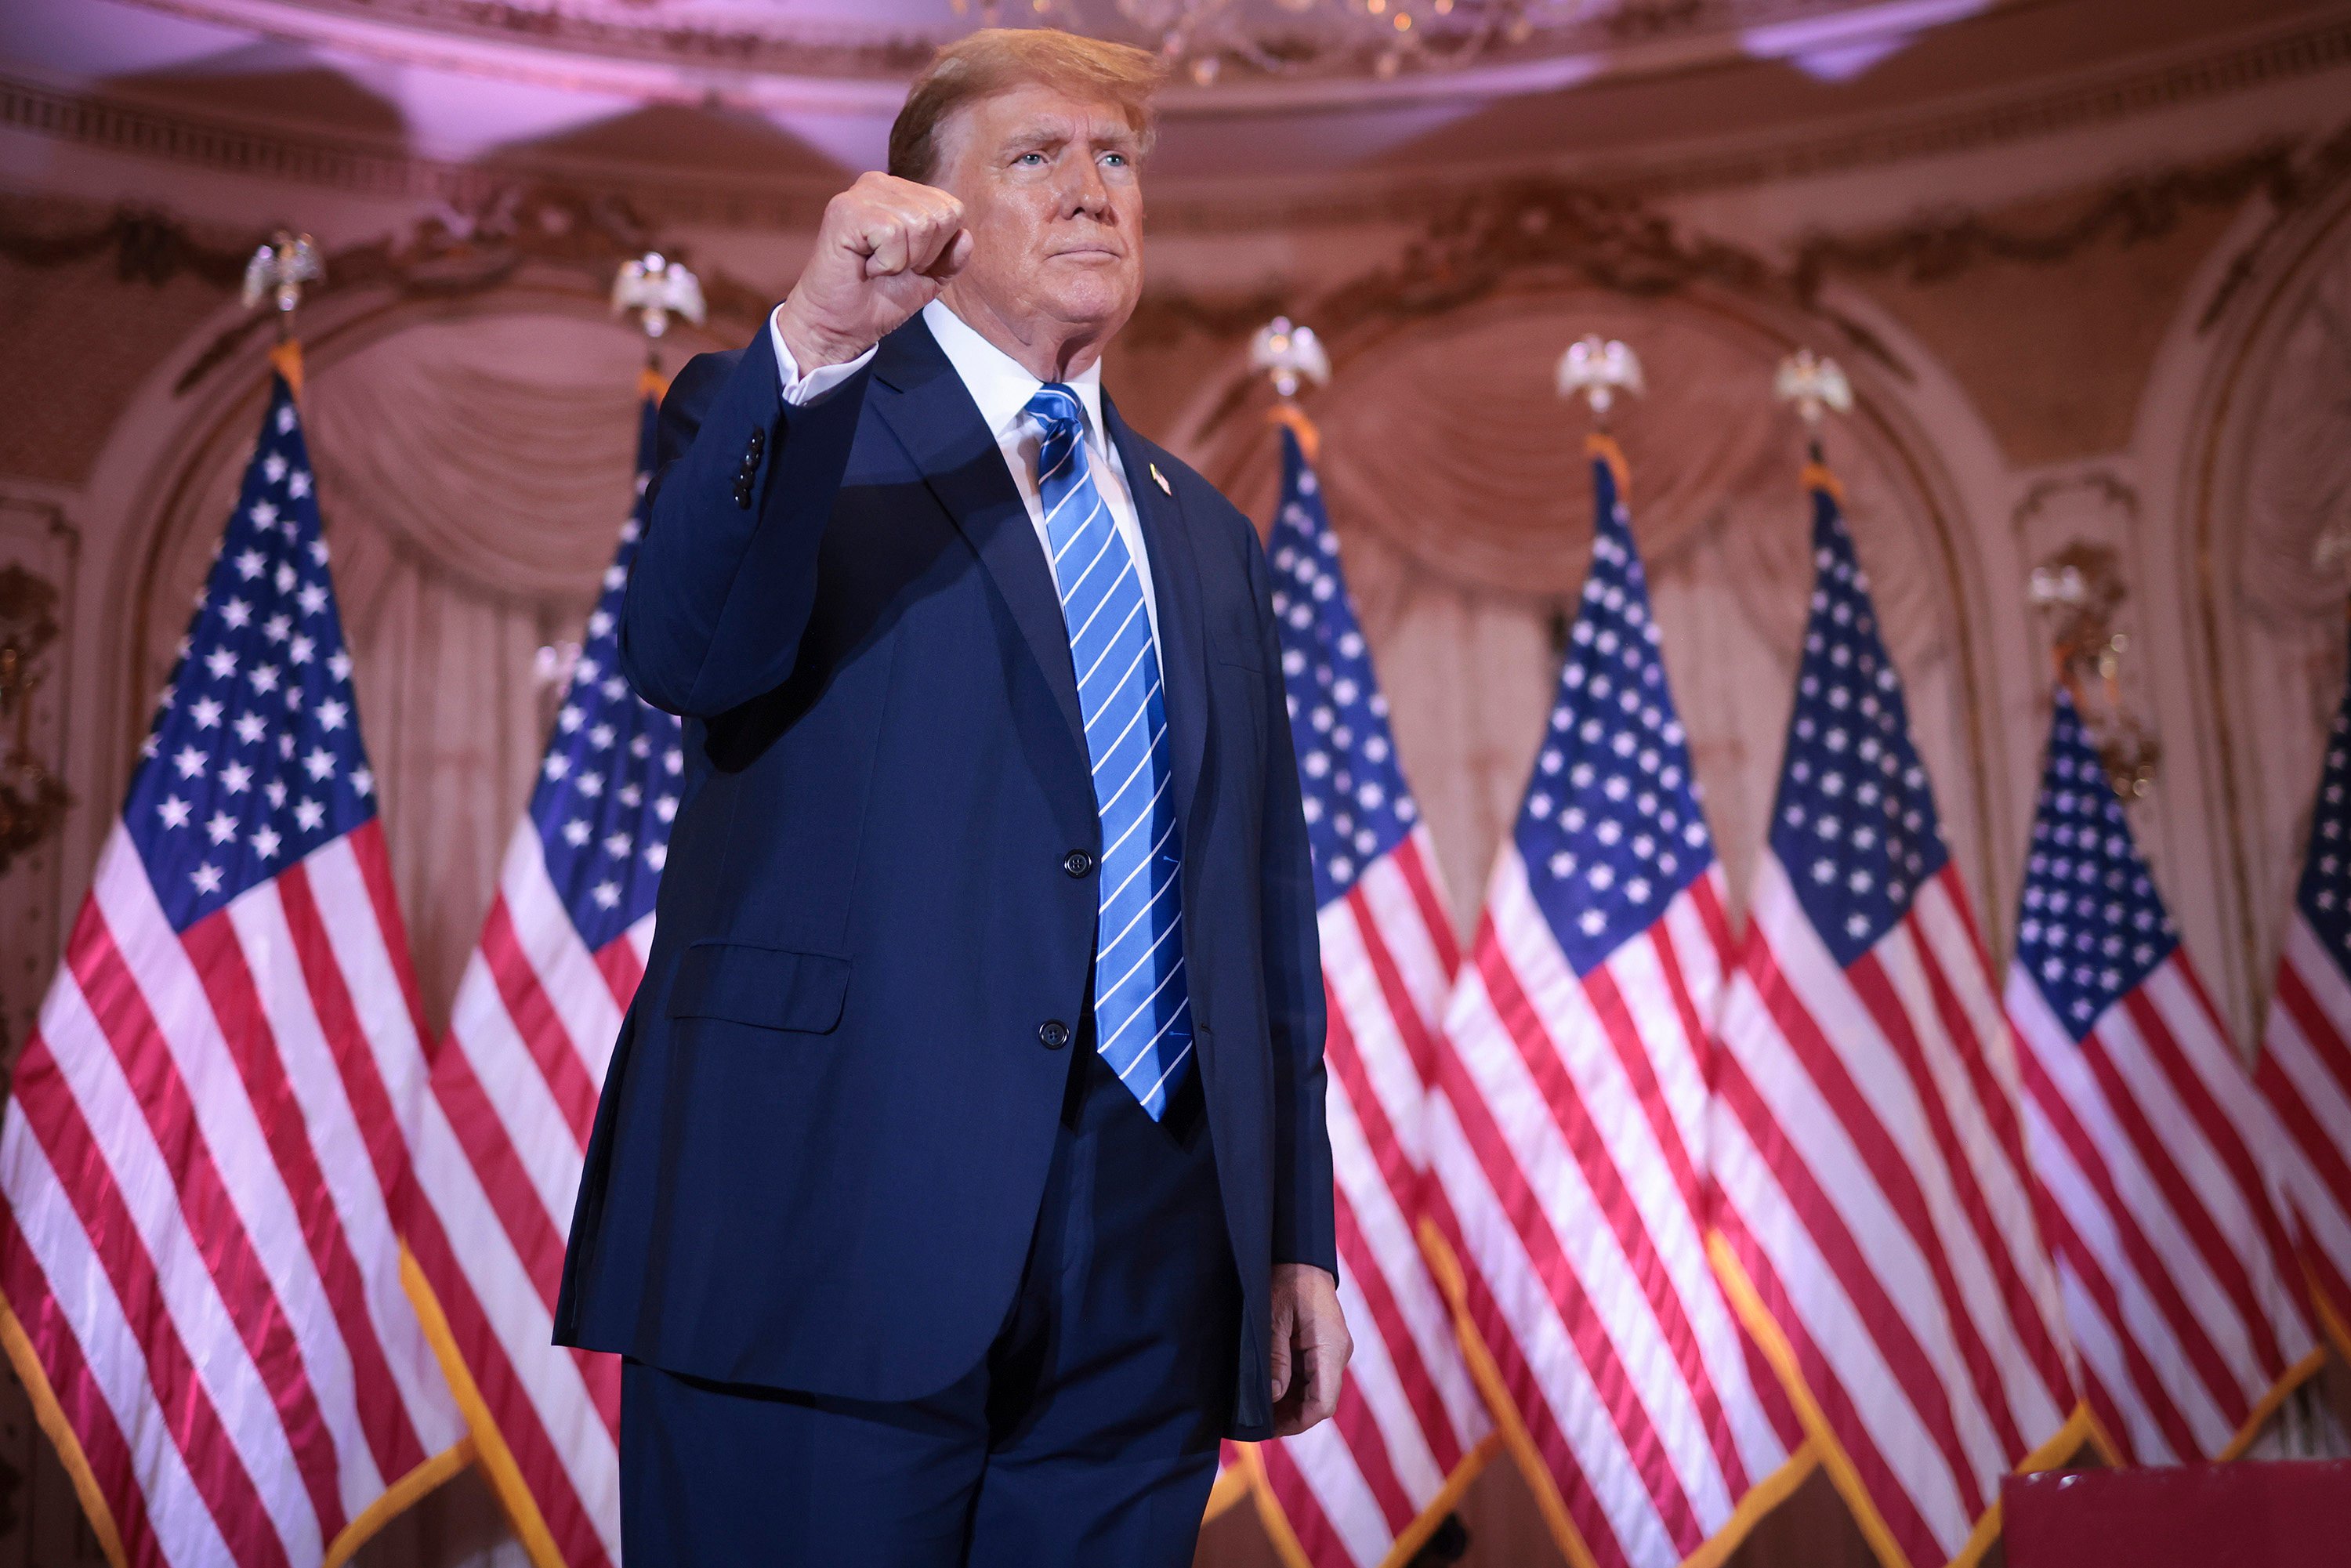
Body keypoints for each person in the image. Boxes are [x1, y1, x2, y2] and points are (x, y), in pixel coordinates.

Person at [554, 27, 1349, 1565]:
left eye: (1115, 160)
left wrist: (1290, 1225)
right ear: (918, 211)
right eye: (1037, 157)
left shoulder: (1205, 534)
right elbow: (686, 651)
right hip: (825, 1219)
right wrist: (817, 335)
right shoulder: (792, 417)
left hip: (1157, 1247)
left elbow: (1262, 903)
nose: (1093, 192)